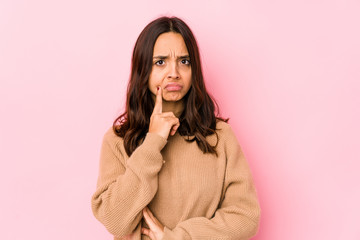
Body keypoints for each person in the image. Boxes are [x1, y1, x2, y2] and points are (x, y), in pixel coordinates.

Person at [91, 16, 261, 240]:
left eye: (184, 61)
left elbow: (246, 217)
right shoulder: (118, 140)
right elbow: (115, 220)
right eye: (160, 62)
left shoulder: (219, 136)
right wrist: (153, 142)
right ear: (144, 68)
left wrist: (178, 237)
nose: (174, 72)